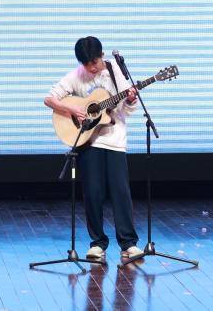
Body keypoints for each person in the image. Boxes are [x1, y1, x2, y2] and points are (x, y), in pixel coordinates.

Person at [43, 35, 141, 263]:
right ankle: (97, 243)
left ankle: (128, 244)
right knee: (93, 193)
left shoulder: (116, 70)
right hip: (89, 142)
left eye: (94, 63)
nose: (92, 68)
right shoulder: (77, 76)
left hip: (115, 140)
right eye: (87, 65)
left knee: (121, 192)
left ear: (102, 55)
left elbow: (126, 110)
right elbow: (49, 99)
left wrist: (130, 100)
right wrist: (71, 110)